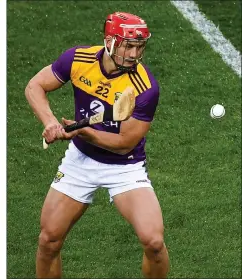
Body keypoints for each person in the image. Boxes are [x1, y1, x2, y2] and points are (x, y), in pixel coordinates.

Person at [25, 12, 168, 279]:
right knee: (48, 241)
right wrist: (49, 122)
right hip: (80, 161)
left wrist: (86, 133)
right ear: (109, 42)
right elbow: (35, 86)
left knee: (154, 243)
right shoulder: (78, 59)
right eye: (128, 45)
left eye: (139, 46)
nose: (134, 53)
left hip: (125, 167)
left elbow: (125, 144)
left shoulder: (145, 86)